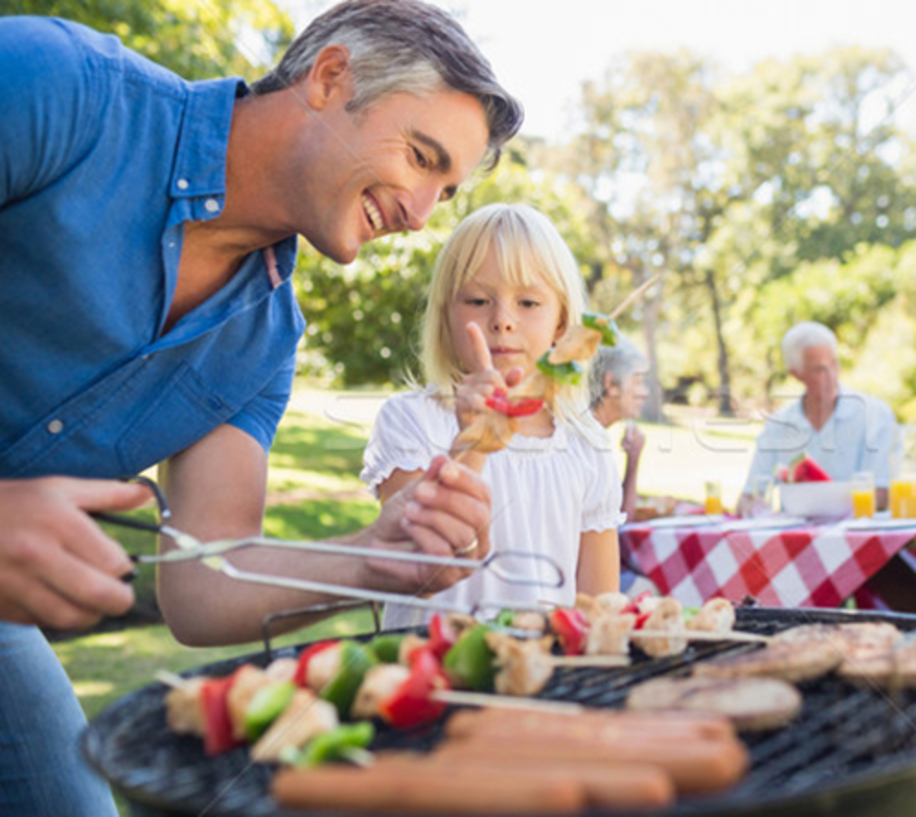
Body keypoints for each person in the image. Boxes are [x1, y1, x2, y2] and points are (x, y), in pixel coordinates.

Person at [0, 2, 521, 813]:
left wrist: (378, 557)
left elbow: (204, 585)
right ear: (329, 77)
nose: (421, 214)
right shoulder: (61, 90)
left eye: (444, 191)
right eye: (422, 158)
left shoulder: (265, 341)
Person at [361, 203, 624, 629]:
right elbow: (418, 567)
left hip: (542, 683)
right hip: (428, 677)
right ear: (447, 315)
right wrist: (475, 443)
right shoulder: (412, 422)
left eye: (528, 302)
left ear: (562, 324)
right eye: (478, 300)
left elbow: (598, 608)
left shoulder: (587, 446)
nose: (501, 320)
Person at [737, 321, 895, 516]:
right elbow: (748, 496)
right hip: (795, 541)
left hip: (857, 539)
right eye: (819, 370)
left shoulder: (875, 414)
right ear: (796, 374)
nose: (831, 376)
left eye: (834, 364)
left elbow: (881, 495)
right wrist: (754, 508)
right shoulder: (778, 426)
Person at [589, 337, 651, 518]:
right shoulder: (587, 444)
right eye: (638, 382)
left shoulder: (597, 436)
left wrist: (633, 460)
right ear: (610, 384)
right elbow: (619, 526)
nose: (645, 393)